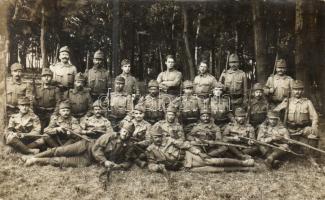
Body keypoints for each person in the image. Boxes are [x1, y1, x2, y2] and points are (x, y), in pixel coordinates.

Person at [25, 122, 136, 169]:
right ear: (121, 130)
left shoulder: (130, 145)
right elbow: (97, 148)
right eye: (124, 131)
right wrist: (104, 161)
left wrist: (119, 166)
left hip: (88, 160)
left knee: (62, 162)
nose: (125, 134)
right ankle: (34, 157)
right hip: (86, 146)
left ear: (130, 135)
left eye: (128, 133)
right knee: (59, 151)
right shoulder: (110, 136)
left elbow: (128, 161)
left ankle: (35, 161)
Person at [274, 80, 320, 169]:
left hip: (303, 129)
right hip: (290, 130)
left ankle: (312, 157)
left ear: (303, 91)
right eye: (295, 89)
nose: (297, 91)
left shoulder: (307, 102)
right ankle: (283, 156)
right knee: (279, 136)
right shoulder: (288, 101)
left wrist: (314, 126)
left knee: (314, 134)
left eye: (299, 89)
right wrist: (280, 124)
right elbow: (275, 111)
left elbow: (314, 117)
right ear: (292, 90)